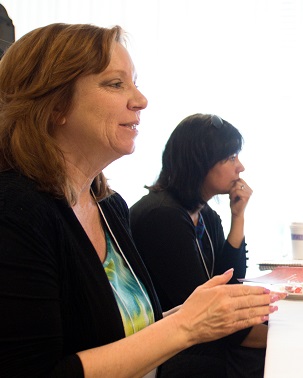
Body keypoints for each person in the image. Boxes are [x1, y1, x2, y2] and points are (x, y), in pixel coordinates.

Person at [0, 23, 283, 377]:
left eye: (134, 82)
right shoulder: (14, 211)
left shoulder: (108, 206)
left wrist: (190, 314)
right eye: (116, 84)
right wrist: (188, 325)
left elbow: (127, 332)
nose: (141, 100)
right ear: (55, 104)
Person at [130, 113, 264, 377]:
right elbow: (209, 317)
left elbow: (229, 280)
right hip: (170, 353)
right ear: (200, 163)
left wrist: (238, 217)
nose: (241, 167)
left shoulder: (203, 214)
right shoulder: (163, 216)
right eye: (231, 157)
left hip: (197, 342)